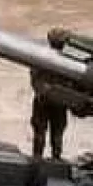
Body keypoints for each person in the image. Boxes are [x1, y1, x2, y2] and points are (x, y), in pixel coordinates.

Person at [31, 29, 72, 161]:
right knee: (55, 134)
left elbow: (35, 79)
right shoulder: (70, 61)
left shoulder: (42, 57)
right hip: (56, 102)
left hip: (45, 101)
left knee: (43, 133)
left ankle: (38, 158)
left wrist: (43, 91)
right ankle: (54, 159)